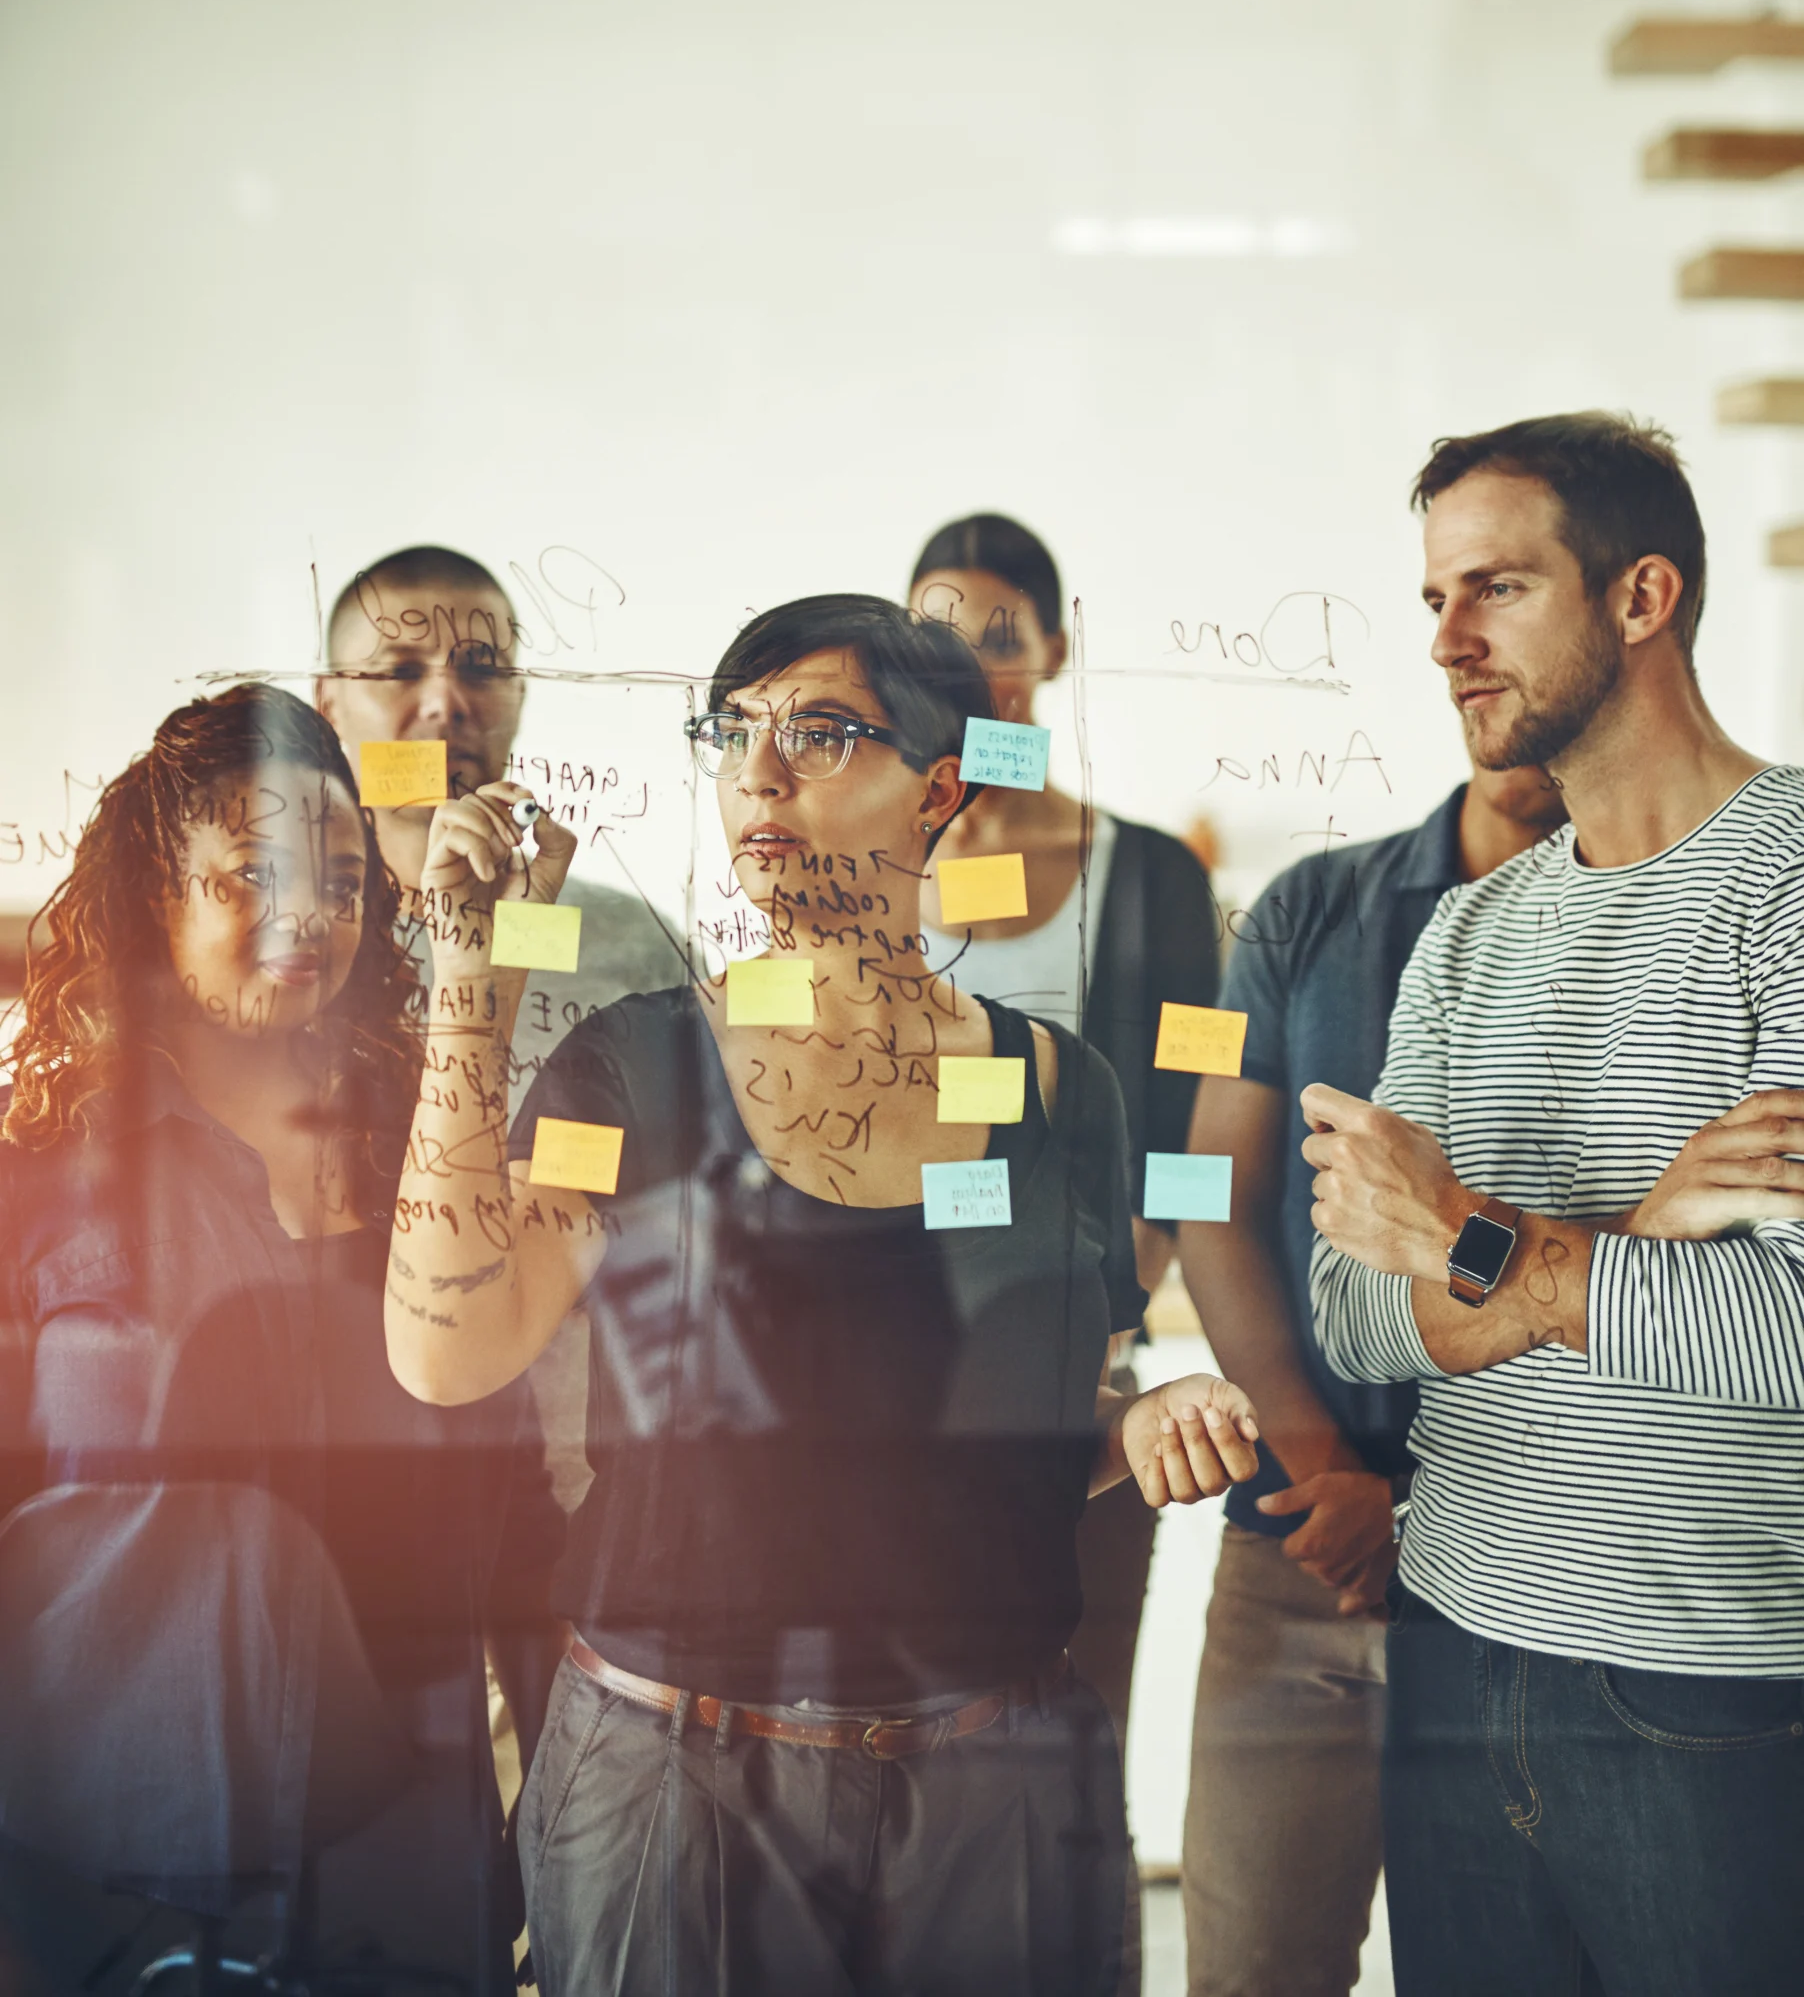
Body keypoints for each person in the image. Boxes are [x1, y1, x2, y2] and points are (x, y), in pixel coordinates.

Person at [382, 591, 1262, 1997]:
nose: (761, 775)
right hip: (679, 1779)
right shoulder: (638, 1067)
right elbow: (448, 1349)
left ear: (943, 784)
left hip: (995, 1789)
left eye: (820, 733)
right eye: (733, 736)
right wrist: (471, 975)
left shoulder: (1060, 1090)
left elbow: (1046, 1419)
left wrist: (1153, 1420)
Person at [1306, 414, 1804, 1997]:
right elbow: (1352, 1318)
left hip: (1703, 1682)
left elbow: (1793, 1325)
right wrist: (1635, 1238)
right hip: (1452, 1649)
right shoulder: (1469, 937)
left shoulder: (1791, 885)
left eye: (1496, 590)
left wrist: (1473, 1237)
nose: (1447, 642)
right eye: (1436, 599)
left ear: (1642, 596)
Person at [0, 685, 562, 1993]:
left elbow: (524, 1533)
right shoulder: (39, 1188)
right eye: (248, 871)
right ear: (158, 894)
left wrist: (557, 1820)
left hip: (411, 1857)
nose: (303, 911)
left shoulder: (435, 1169)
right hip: (110, 1875)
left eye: (342, 875)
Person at [1177, 755, 1565, 1997]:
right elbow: (1200, 1202)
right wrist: (1327, 1469)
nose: (1467, 638)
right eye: (1450, 595)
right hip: (1297, 1543)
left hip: (1539, 1572)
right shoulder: (1305, 910)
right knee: (1248, 1972)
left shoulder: (1658, 917)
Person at [906, 512, 1220, 1926]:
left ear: (1054, 653)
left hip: (1085, 1364)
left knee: (1075, 1720)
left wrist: (1142, 1275)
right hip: (899, 1374)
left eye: (1001, 637)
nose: (974, 667)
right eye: (938, 638)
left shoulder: (1155, 875)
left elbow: (1201, 1107)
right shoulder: (881, 874)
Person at [317, 541, 684, 1513]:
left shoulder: (630, 942)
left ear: (519, 690)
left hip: (577, 1494)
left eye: (482, 667)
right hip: (347, 1500)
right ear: (328, 703)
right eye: (400, 669)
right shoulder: (293, 951)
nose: (446, 701)